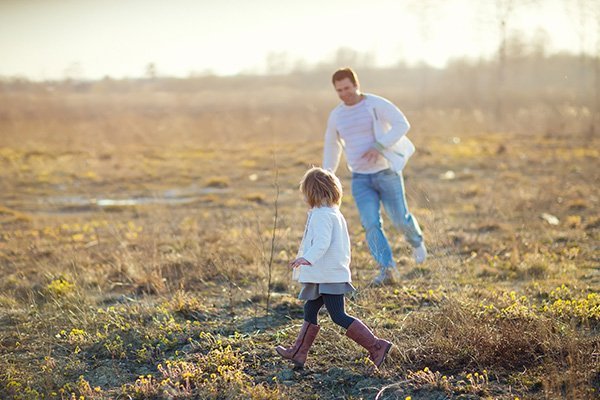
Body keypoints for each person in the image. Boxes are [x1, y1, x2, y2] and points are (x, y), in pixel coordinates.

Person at [275, 167, 393, 369]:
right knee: (310, 307)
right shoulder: (334, 213)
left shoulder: (322, 215)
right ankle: (299, 352)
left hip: (329, 275)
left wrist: (306, 258)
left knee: (338, 315)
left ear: (312, 193)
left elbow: (321, 243)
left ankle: (376, 346)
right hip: (327, 273)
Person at [322, 67, 427, 285]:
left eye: (347, 88)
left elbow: (402, 124)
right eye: (339, 90)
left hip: (386, 172)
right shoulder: (337, 115)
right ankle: (387, 269)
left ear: (356, 84)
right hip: (360, 178)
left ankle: (416, 241)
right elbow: (332, 145)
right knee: (370, 224)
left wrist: (379, 146)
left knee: (399, 219)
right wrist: (327, 174)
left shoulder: (375, 104)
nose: (344, 93)